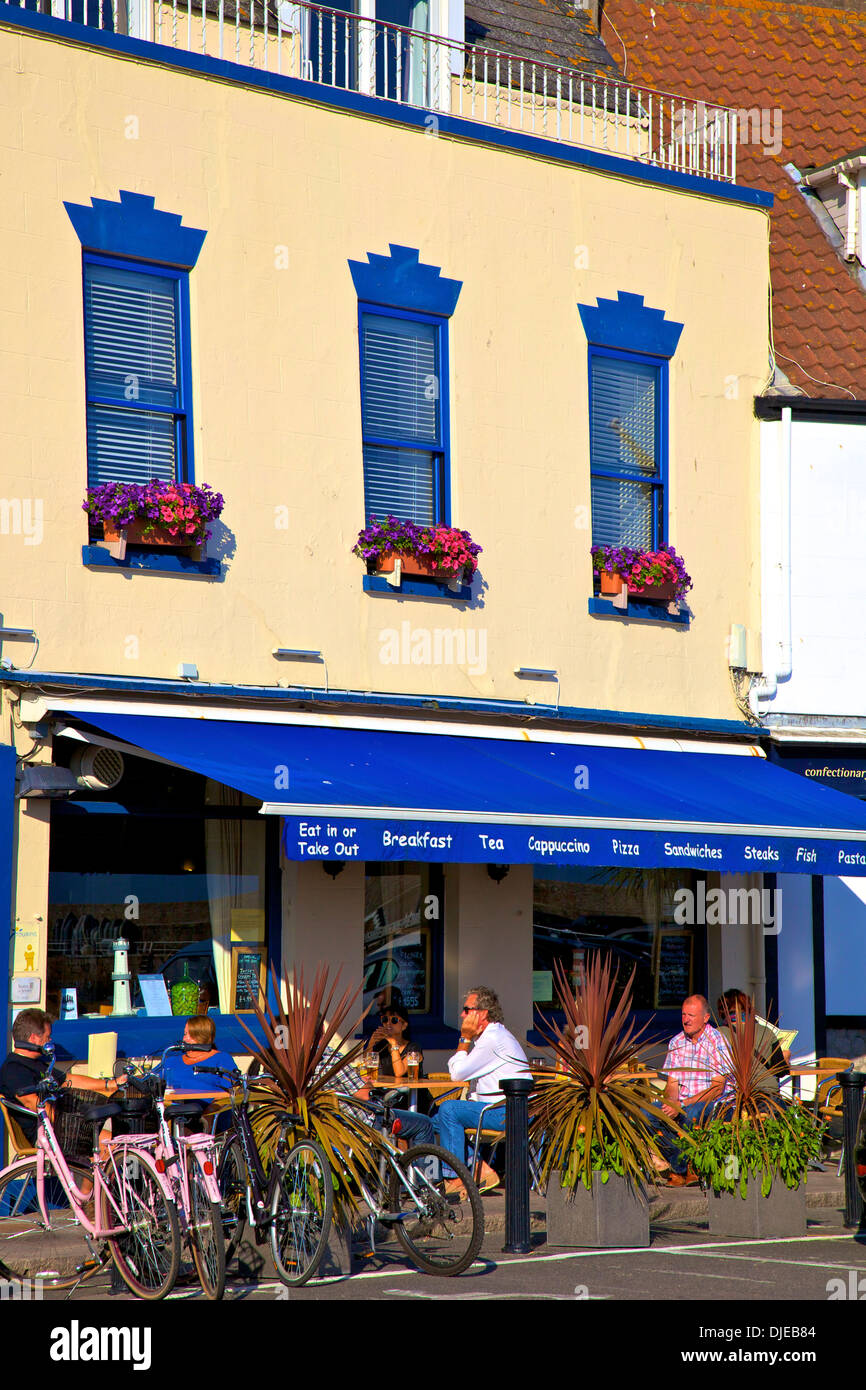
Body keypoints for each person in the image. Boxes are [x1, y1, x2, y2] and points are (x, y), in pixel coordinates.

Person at [433, 985, 532, 1193]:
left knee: (448, 1110)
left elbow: (457, 1074)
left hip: (507, 1112)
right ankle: (480, 1168)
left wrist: (464, 1038)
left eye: (467, 1010)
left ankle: (454, 1179)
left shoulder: (492, 1039)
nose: (462, 1015)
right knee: (430, 1121)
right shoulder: (492, 1037)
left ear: (482, 1014)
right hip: (503, 1108)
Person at [0, 1008, 122, 1149]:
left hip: (63, 1129)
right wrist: (76, 1123)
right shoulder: (14, 1069)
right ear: (33, 1038)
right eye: (48, 1037)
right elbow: (33, 1103)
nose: (50, 1041)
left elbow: (68, 1080)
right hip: (48, 1135)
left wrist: (111, 1084)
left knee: (119, 1137)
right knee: (115, 1144)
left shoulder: (36, 1064)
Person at [652, 994, 733, 1184]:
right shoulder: (676, 1042)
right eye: (683, 1015)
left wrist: (682, 1104)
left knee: (692, 1113)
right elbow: (672, 1084)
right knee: (648, 1114)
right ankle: (680, 1167)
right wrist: (672, 1101)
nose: (686, 1020)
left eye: (691, 1015)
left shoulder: (717, 1042)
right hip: (682, 1102)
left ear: (705, 1018)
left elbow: (717, 1089)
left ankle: (687, 1168)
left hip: (712, 1103)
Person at [715, 989, 785, 1106]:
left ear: (722, 1010)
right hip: (770, 1096)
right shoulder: (766, 1031)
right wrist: (786, 1056)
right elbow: (781, 1071)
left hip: (737, 1099)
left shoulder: (717, 1035)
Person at [156, 1015, 237, 1095]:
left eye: (191, 1035)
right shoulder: (171, 1061)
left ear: (202, 1036)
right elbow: (150, 1081)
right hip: (173, 1106)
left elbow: (231, 1092)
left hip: (207, 1107)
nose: (185, 1039)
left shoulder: (221, 1059)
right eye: (185, 1034)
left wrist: (213, 1107)